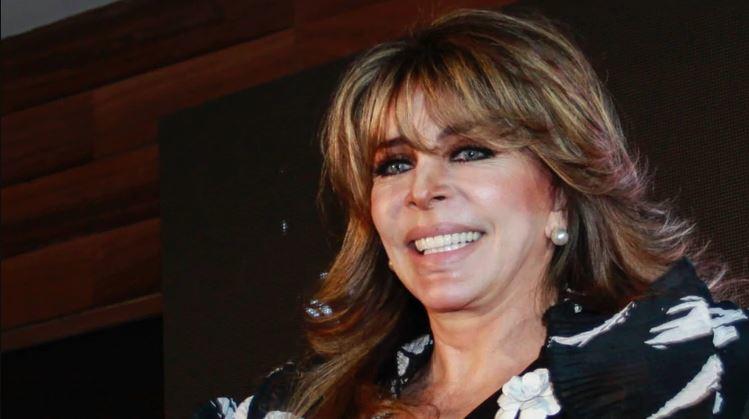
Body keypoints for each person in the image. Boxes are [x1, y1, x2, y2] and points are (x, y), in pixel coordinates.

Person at [194, 9, 748, 419]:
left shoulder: (693, 366)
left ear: (561, 192)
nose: (422, 189)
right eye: (394, 164)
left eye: (470, 152)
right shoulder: (294, 406)